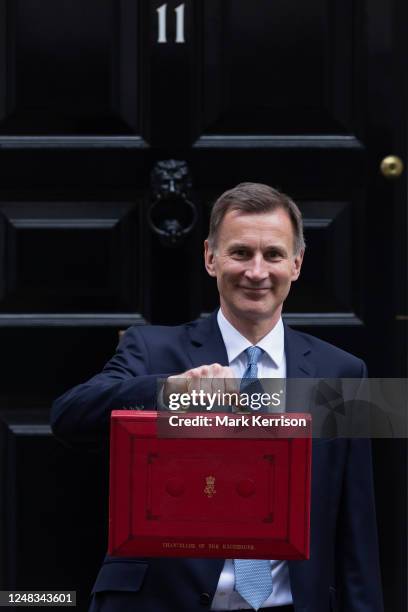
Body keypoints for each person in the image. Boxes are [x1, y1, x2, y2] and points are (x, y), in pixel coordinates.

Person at [51, 183, 383, 612]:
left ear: (297, 263)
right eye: (241, 253)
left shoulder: (339, 372)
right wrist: (168, 392)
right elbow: (69, 416)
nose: (257, 271)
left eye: (274, 255)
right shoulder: (153, 349)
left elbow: (355, 530)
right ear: (210, 257)